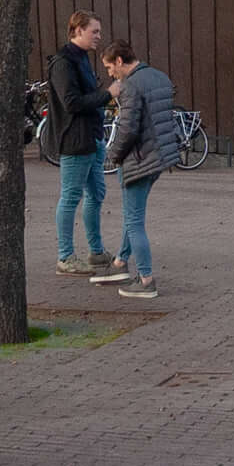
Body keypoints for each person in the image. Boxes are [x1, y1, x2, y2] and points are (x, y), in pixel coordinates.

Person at [96, 37, 180, 302]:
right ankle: (120, 263)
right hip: (159, 157)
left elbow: (128, 129)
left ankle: (146, 280)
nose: (110, 74)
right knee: (133, 215)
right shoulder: (160, 77)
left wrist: (113, 156)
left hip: (139, 160)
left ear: (120, 61)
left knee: (134, 222)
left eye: (110, 67)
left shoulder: (130, 86)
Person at [47, 11, 116, 278]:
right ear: (77, 30)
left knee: (96, 194)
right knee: (71, 196)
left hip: (93, 137)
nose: (99, 36)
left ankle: (96, 251)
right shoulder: (63, 62)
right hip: (76, 140)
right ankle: (65, 257)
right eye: (94, 31)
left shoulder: (82, 58)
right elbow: (71, 103)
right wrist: (107, 94)